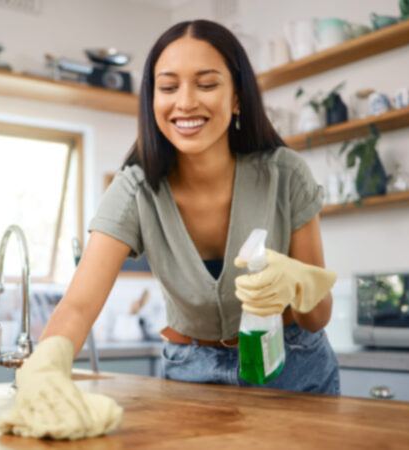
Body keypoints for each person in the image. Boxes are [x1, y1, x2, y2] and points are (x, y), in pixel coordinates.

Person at [42, 19, 339, 394]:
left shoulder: (285, 174)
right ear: (153, 100)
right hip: (191, 374)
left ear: (236, 98)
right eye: (168, 87)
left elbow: (316, 319)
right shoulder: (136, 189)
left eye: (207, 84)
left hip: (293, 368)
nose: (184, 102)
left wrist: (299, 281)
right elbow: (78, 306)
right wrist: (47, 368)